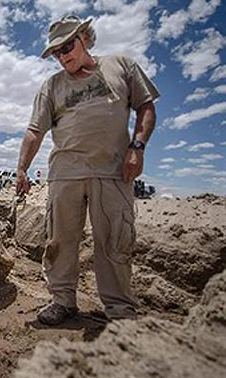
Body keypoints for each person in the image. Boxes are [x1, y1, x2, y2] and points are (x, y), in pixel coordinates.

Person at [15, 15, 159, 325]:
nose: (63, 55)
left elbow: (146, 106)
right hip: (65, 174)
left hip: (112, 173)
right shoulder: (51, 86)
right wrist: (22, 169)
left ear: (85, 38)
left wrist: (137, 147)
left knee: (115, 241)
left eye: (68, 46)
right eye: (57, 52)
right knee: (59, 242)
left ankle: (120, 311)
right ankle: (63, 301)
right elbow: (34, 131)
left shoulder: (121, 66)